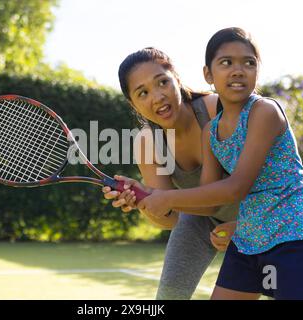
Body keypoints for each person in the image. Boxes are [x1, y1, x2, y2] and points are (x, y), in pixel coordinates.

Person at [127, 27, 303, 300]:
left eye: (248, 63)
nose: (238, 70)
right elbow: (208, 204)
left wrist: (163, 197)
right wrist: (146, 196)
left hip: (296, 233)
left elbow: (236, 187)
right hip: (250, 236)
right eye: (226, 63)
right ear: (208, 74)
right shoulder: (210, 132)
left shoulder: (264, 111)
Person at [102, 47, 239, 299]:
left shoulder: (215, 109)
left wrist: (244, 228)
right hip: (202, 220)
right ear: (133, 104)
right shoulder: (148, 142)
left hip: (263, 216)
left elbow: (266, 180)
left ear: (176, 78)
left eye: (162, 82)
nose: (157, 97)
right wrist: (143, 201)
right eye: (142, 93)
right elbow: (172, 219)